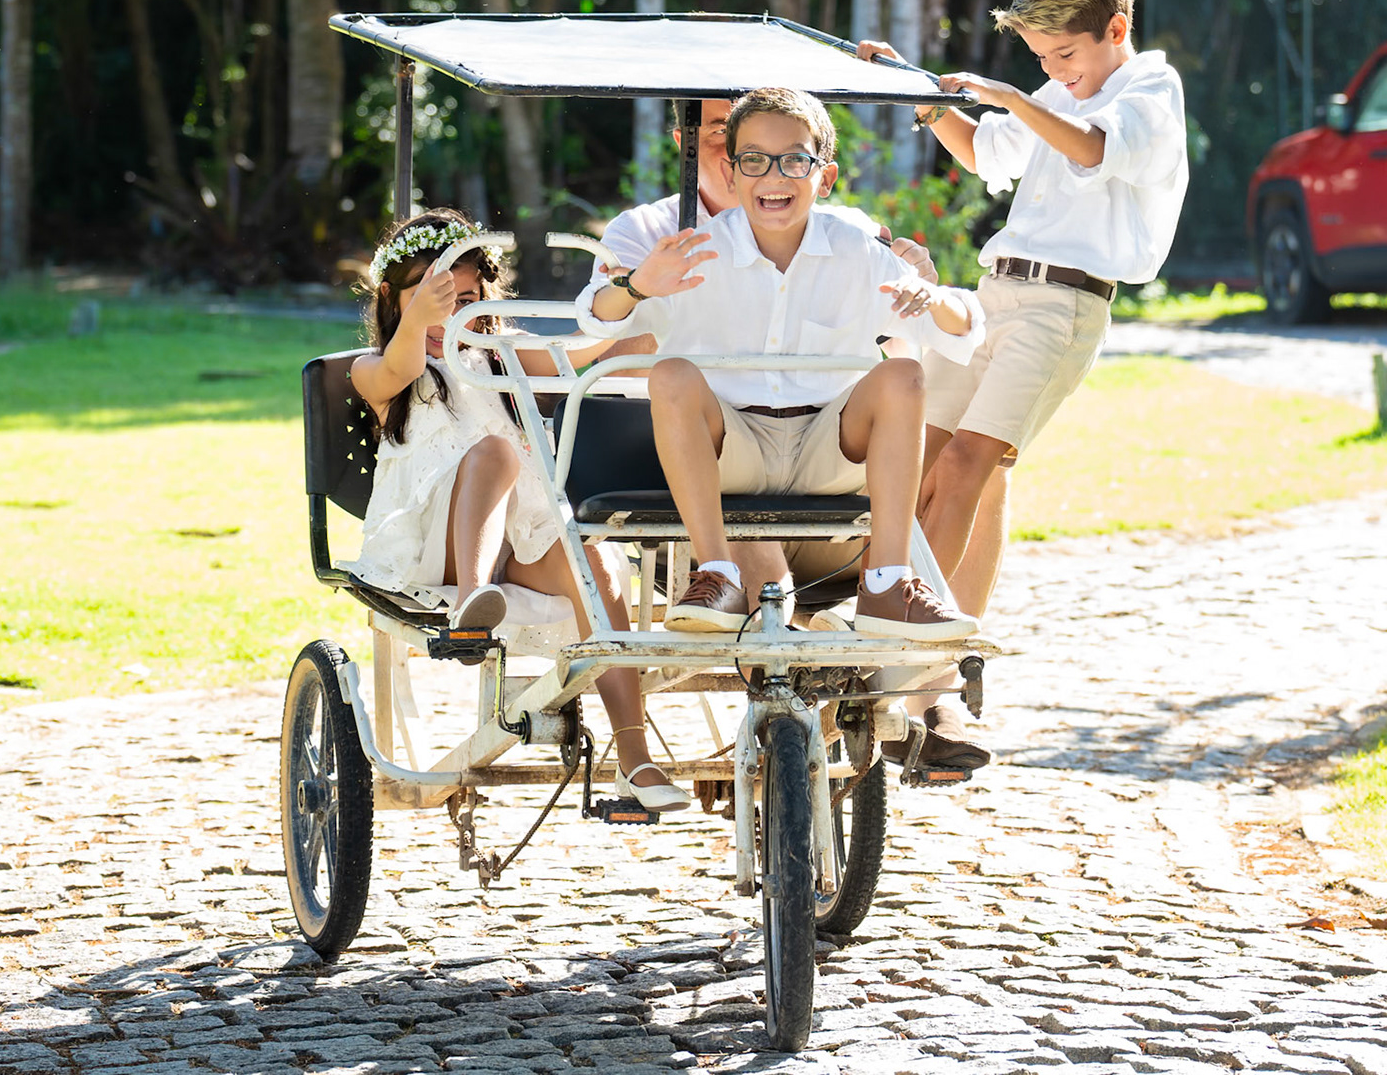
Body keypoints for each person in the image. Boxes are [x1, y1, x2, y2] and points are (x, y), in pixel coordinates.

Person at [577, 87, 984, 642]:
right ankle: (717, 574)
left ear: (825, 176)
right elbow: (596, 321)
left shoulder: (857, 250)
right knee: (671, 374)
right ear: (732, 171)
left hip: (829, 450)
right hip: (731, 451)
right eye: (754, 161)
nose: (774, 177)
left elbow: (963, 330)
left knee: (902, 376)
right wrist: (636, 286)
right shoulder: (692, 251)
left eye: (794, 161)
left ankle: (888, 584)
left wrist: (935, 299)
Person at [859, 0, 1189, 624]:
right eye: (1040, 58)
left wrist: (1009, 95)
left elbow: (1094, 148)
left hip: (1062, 309)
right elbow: (983, 150)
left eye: (1063, 54)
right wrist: (916, 91)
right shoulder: (1056, 92)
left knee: (965, 469)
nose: (1053, 72)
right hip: (994, 296)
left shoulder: (1151, 91)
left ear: (1116, 28)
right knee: (914, 467)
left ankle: (894, 638)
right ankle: (879, 627)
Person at [347, 210, 691, 813]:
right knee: (496, 452)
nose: (448, 319)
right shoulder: (381, 371)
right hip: (435, 546)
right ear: (392, 300)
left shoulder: (502, 357)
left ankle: (634, 756)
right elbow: (398, 367)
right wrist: (421, 318)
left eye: (464, 303)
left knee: (596, 569)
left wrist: (633, 291)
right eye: (430, 299)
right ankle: (472, 605)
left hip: (517, 538)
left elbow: (580, 346)